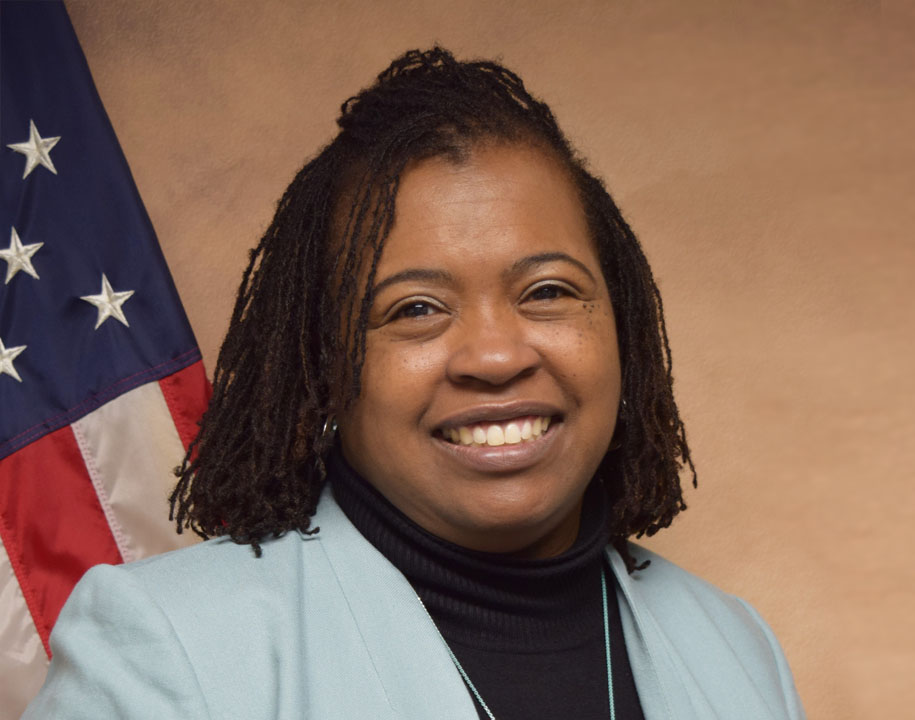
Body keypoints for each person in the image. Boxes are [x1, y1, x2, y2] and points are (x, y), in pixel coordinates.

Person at [23, 48, 805, 719]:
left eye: (547, 291)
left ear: (622, 327)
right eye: (416, 309)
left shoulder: (733, 647)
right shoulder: (168, 651)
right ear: (325, 363)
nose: (495, 357)